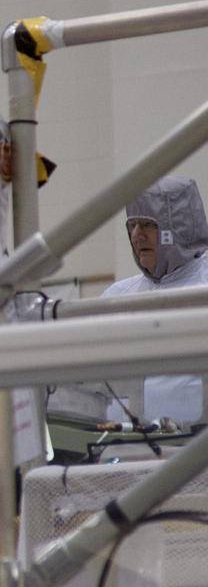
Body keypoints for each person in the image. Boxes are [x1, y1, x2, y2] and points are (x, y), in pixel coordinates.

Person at [101, 176, 208, 424]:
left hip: (196, 452)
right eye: (133, 226)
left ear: (178, 228)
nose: (137, 236)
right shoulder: (117, 298)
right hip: (121, 449)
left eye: (148, 225)